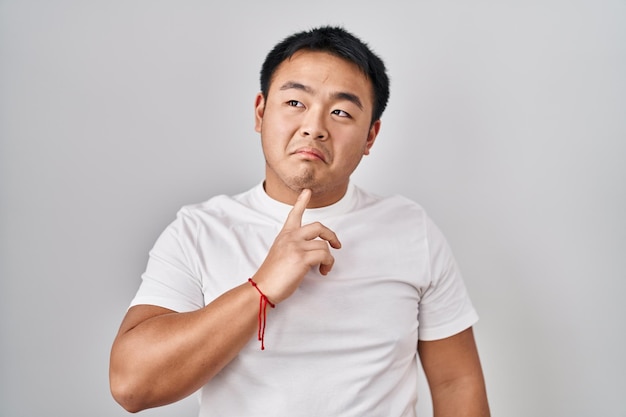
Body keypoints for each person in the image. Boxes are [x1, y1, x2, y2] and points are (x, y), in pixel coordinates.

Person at [109, 25, 490, 417]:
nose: (314, 127)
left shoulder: (411, 229)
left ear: (371, 137)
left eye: (341, 112)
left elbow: (455, 383)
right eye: (295, 103)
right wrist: (262, 288)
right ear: (260, 112)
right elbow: (132, 386)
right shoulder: (199, 231)